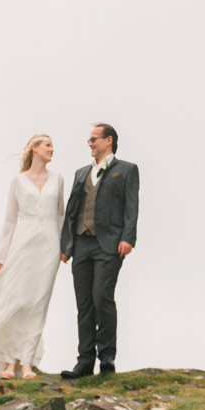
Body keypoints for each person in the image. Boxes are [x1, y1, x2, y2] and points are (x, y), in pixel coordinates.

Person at [0, 134, 66, 379]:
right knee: (17, 300)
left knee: (38, 303)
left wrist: (65, 246)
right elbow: (10, 220)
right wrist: (0, 254)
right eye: (48, 145)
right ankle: (10, 362)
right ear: (35, 149)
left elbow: (61, 215)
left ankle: (27, 363)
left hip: (50, 246)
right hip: (23, 242)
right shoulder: (18, 182)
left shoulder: (58, 179)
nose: (52, 149)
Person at [58, 122, 139, 378]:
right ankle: (84, 362)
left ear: (109, 140)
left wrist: (128, 238)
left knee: (101, 298)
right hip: (82, 245)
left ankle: (106, 358)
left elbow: (131, 207)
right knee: (84, 304)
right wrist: (66, 245)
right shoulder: (81, 173)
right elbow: (72, 210)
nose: (90, 144)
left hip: (110, 244)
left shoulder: (126, 170)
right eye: (89, 140)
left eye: (94, 139)